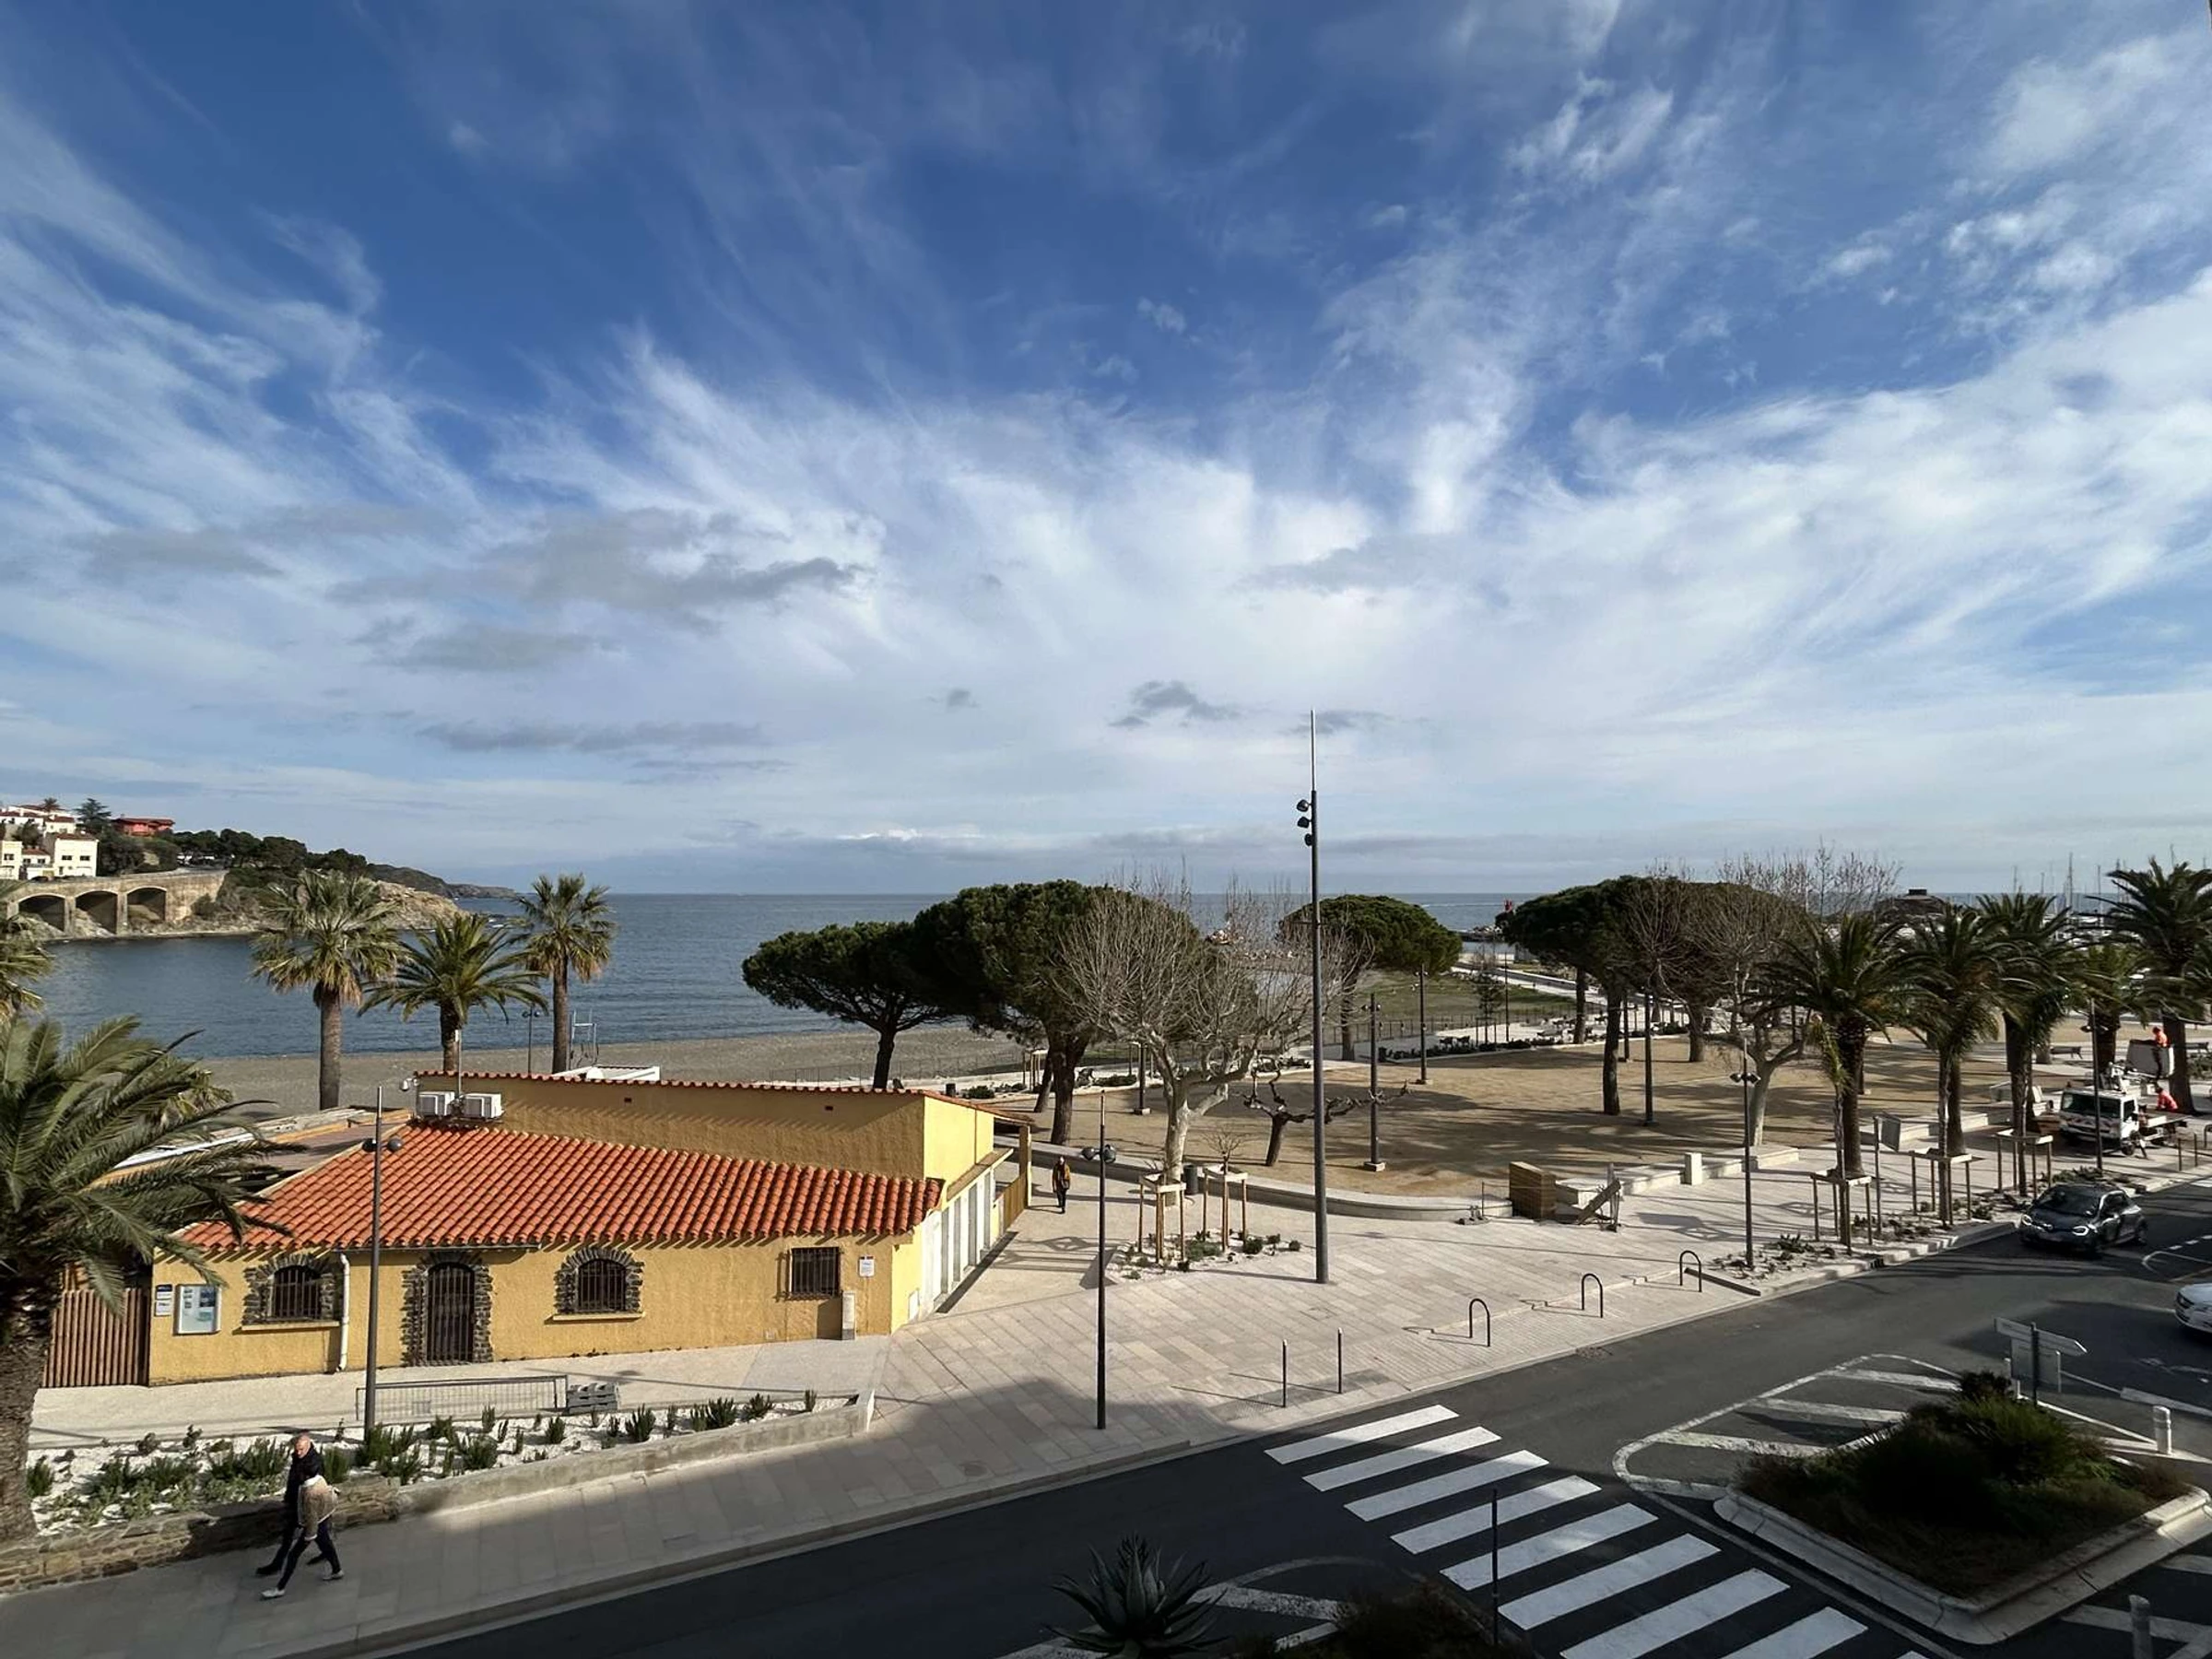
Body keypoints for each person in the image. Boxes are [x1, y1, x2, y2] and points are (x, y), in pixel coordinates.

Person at [254, 1432, 324, 1579]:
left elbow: (308, 1484)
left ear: (309, 1446)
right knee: (290, 1535)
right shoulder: (298, 1458)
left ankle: (332, 1561)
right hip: (294, 1503)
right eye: (296, 1449)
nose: (298, 1452)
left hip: (306, 1505)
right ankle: (277, 1564)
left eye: (301, 1449)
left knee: (320, 1535)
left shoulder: (314, 1462)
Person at [260, 1472, 341, 1597]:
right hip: (322, 1517)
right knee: (326, 1545)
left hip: (313, 1526)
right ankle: (337, 1570)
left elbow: (311, 1518)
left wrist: (308, 1537)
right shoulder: (320, 1480)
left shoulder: (309, 1493)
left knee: (293, 1555)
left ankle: (280, 1588)